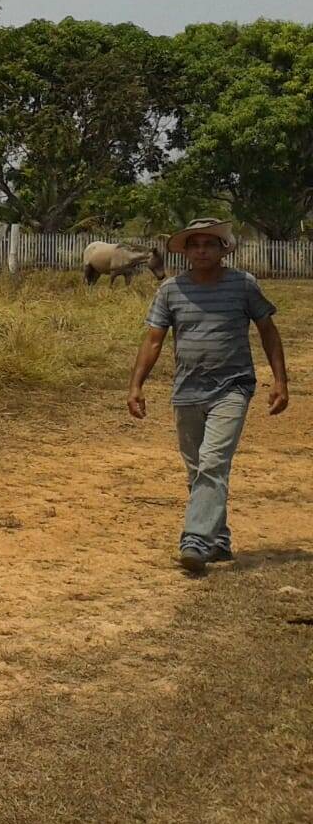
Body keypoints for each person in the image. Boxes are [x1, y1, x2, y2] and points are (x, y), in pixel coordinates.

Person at [127, 218, 289, 575]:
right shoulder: (171, 290)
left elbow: (268, 330)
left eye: (209, 244)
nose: (201, 250)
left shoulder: (243, 285)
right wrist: (136, 385)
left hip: (233, 387)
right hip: (187, 391)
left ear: (222, 250)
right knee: (197, 469)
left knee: (213, 462)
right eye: (194, 244)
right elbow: (154, 340)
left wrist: (280, 380)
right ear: (184, 251)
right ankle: (218, 540)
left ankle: (196, 539)